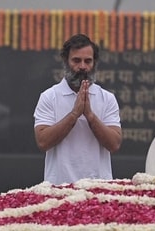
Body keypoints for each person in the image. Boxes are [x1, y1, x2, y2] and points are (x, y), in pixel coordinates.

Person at [33, 33, 122, 184]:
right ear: (66, 62)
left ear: (94, 63)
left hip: (99, 190)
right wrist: (74, 114)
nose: (82, 67)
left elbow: (114, 144)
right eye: (76, 60)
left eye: (88, 61)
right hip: (58, 190)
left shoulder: (107, 98)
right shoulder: (49, 97)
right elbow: (43, 142)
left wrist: (90, 116)